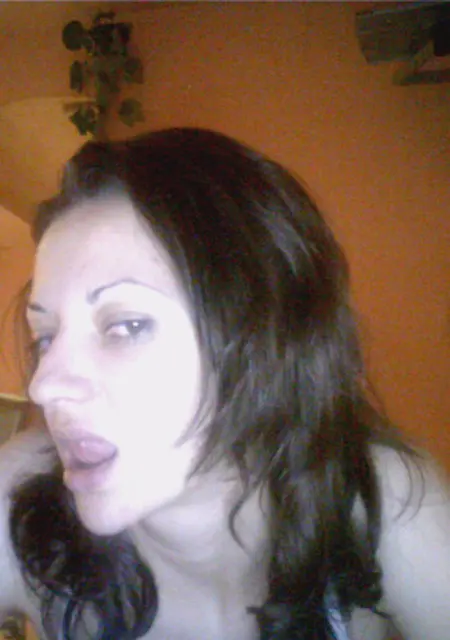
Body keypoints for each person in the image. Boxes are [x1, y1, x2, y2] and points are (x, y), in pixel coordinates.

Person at [0, 128, 449, 640]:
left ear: (264, 333)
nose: (44, 386)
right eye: (45, 337)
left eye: (126, 325)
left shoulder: (382, 504)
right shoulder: (19, 502)